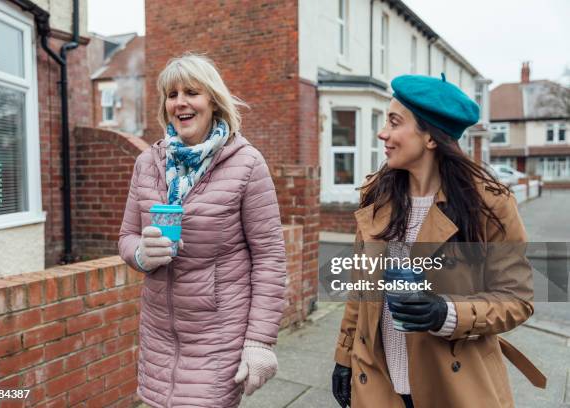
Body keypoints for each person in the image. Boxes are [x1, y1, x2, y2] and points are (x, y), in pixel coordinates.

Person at [331, 74, 545, 407]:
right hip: (378, 383)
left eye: (394, 121)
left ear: (430, 138)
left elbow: (517, 299)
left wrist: (447, 314)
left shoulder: (489, 205)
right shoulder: (377, 196)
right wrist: (344, 356)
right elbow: (362, 289)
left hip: (455, 387)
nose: (382, 132)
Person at [118, 53, 286, 408]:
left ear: (212, 100)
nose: (180, 102)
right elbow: (126, 237)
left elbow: (269, 257)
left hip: (218, 335)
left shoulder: (247, 164)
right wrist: (140, 254)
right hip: (159, 334)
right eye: (172, 94)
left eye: (191, 92)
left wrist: (259, 341)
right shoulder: (148, 163)